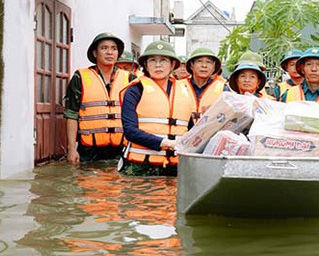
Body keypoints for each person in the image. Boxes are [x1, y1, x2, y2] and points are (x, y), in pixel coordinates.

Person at [119, 41, 194, 176]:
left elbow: (191, 129)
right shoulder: (135, 90)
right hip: (140, 167)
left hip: (176, 166)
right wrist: (165, 142)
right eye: (152, 60)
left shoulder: (184, 90)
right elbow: (129, 131)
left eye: (163, 60)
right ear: (146, 65)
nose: (158, 65)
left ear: (172, 65)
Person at [63, 32, 131, 163]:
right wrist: (72, 148)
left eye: (114, 48)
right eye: (104, 48)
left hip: (121, 149)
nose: (109, 52)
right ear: (95, 53)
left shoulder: (129, 79)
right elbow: (71, 114)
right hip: (89, 150)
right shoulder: (80, 77)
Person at [182, 47, 228, 118]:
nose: (204, 65)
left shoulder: (223, 89)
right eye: (199, 61)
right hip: (183, 128)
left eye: (208, 62)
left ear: (213, 68)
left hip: (210, 129)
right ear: (191, 66)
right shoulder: (178, 86)